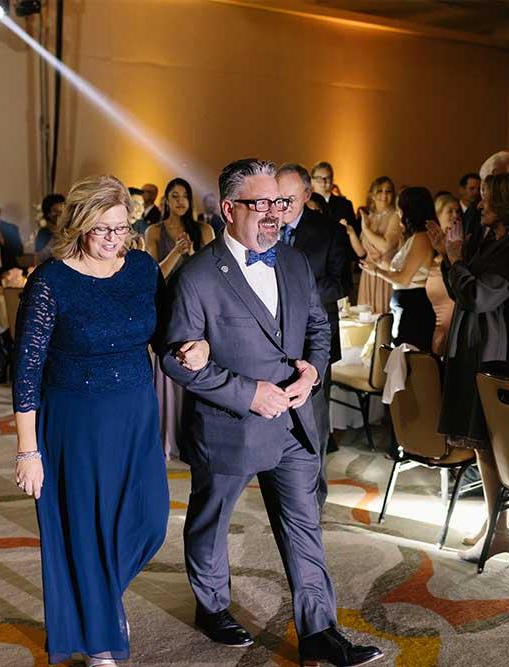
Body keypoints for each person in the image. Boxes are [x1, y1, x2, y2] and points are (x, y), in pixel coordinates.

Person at [158, 158, 383, 667]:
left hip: (295, 423)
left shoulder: (294, 261)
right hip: (229, 425)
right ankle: (211, 605)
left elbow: (319, 329)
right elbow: (178, 358)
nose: (274, 215)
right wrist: (248, 393)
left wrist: (313, 374)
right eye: (261, 204)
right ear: (229, 209)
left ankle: (319, 632)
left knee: (303, 524)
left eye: (280, 204)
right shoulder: (197, 276)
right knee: (211, 519)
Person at [12, 174, 208, 666]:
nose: (113, 240)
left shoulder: (142, 269)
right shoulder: (51, 282)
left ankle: (96, 600)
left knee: (147, 519)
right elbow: (27, 373)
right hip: (74, 421)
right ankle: (100, 632)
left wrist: (195, 345)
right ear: (79, 226)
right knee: (84, 526)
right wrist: (28, 450)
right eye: (102, 229)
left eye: (121, 229)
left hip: (136, 412)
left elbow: (167, 334)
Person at [427, 170, 509, 566]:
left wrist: (455, 258)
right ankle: (496, 524)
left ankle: (500, 531)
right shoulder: (495, 238)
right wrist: (448, 255)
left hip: (494, 353)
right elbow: (462, 287)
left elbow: (477, 295)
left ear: (508, 203)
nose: (480, 204)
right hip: (475, 348)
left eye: (488, 198)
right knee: (482, 445)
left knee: (490, 444)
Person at [276, 162, 352, 508]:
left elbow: (340, 284)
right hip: (273, 338)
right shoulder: (265, 227)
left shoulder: (329, 231)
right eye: (278, 199)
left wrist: (297, 294)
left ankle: (314, 496)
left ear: (307, 196)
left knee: (315, 422)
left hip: (314, 339)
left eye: (289, 199)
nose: (282, 206)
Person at [144, 177, 214, 460]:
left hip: (197, 308)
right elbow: (153, 274)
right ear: (166, 201)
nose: (180, 201)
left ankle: (194, 438)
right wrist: (176, 252)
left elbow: (213, 269)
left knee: (197, 367)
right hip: (167, 307)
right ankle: (167, 437)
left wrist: (194, 254)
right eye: (174, 196)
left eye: (185, 195)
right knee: (169, 368)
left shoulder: (205, 229)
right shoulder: (155, 231)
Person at [361, 187, 436, 350]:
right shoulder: (413, 237)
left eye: (399, 207)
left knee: (408, 358)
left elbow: (403, 278)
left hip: (413, 306)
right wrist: (379, 263)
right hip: (404, 303)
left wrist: (376, 271)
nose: (397, 212)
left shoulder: (422, 238)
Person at [351, 177, 401, 313]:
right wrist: (351, 233)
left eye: (388, 191)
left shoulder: (395, 216)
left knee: (382, 321)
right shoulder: (370, 217)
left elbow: (385, 246)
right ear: (372, 194)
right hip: (368, 275)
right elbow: (361, 252)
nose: (384, 195)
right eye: (380, 191)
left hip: (384, 273)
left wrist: (366, 230)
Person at [426, 194, 459, 355]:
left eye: (457, 211)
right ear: (438, 216)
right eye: (450, 211)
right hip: (431, 315)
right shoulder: (429, 244)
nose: (455, 216)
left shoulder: (460, 244)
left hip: (452, 313)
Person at [310, 161, 357, 234]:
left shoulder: (345, 205)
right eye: (319, 178)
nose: (323, 182)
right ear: (312, 181)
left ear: (332, 180)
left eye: (327, 178)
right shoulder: (305, 204)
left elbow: (354, 232)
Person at [34, 193, 65, 264]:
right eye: (56, 212)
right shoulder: (44, 233)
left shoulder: (68, 231)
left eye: (62, 211)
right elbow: (39, 258)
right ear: (48, 214)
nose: (60, 215)